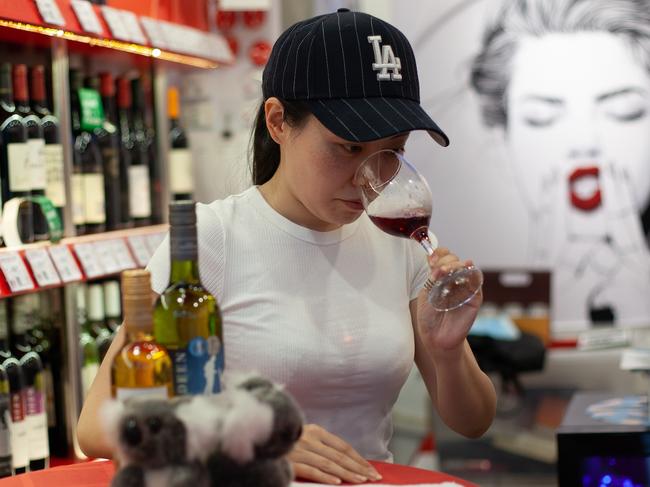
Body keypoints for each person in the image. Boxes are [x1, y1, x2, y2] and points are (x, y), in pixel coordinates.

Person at [78, 8, 496, 485]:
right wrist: (250, 439)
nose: (372, 179)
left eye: (393, 151)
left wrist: (447, 351)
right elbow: (96, 426)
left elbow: (473, 421)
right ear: (278, 122)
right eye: (348, 148)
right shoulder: (211, 238)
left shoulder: (400, 241)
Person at [470, 0, 650, 328]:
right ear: (501, 142)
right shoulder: (468, 299)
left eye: (624, 110)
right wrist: (548, 312)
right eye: (543, 118)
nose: (584, 142)